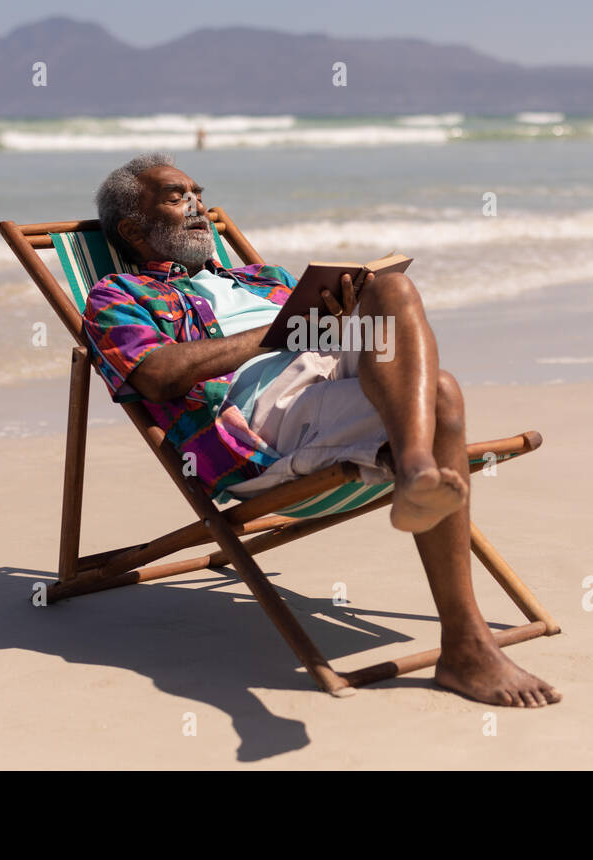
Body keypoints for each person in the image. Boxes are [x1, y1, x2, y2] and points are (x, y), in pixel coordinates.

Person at [84, 152, 559, 708]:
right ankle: (466, 643)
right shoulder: (117, 296)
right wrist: (281, 333)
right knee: (443, 396)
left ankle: (414, 470)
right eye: (175, 196)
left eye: (198, 193)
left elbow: (336, 337)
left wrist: (335, 314)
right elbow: (158, 376)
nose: (198, 207)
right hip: (262, 419)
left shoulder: (264, 279)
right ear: (132, 229)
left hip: (329, 371)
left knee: (392, 292)